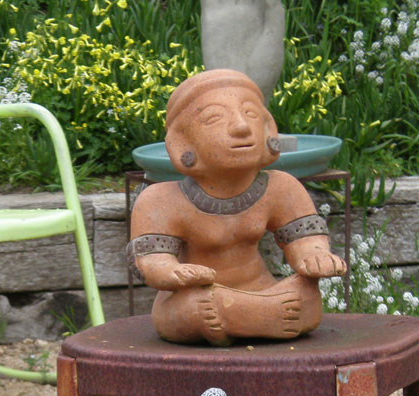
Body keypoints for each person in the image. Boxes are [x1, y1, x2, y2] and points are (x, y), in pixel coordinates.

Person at [129, 69, 346, 345]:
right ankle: (258, 316)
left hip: (263, 290)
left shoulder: (281, 187)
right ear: (182, 142)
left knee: (305, 292)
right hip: (198, 295)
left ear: (268, 129)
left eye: (251, 114)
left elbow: (305, 237)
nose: (241, 126)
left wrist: (313, 254)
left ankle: (245, 315)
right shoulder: (162, 200)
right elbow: (149, 261)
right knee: (191, 310)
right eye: (214, 118)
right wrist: (170, 271)